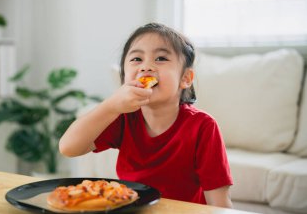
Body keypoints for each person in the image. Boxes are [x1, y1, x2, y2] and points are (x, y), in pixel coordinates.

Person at [59, 23, 233, 207]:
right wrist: (111, 105)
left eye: (160, 58)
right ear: (124, 77)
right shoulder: (122, 118)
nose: (146, 67)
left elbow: (219, 202)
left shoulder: (203, 126)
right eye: (136, 59)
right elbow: (68, 147)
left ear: (185, 78)